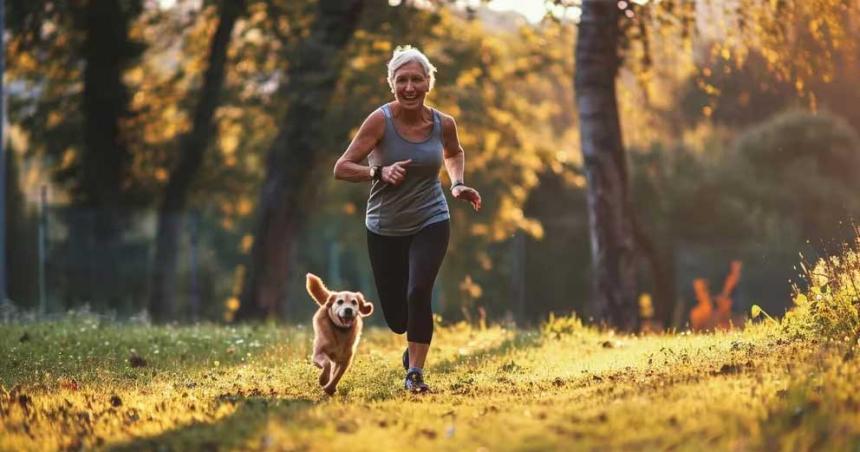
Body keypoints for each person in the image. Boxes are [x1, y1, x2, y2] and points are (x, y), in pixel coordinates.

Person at [333, 45, 481, 393]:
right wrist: (378, 173)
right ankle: (410, 344)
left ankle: (415, 372)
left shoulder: (443, 123)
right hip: (384, 226)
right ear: (392, 84)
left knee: (419, 293)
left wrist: (457, 184)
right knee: (398, 318)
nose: (410, 87)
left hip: (432, 217)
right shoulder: (379, 121)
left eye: (417, 79)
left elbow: (454, 152)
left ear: (429, 82)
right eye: (402, 80)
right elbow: (341, 168)